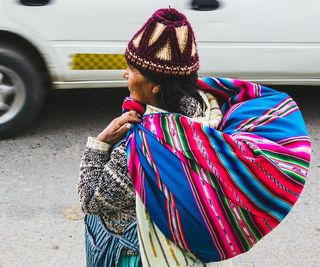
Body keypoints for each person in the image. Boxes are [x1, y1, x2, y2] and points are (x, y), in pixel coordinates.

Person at [78, 7, 310, 267]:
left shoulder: (145, 147)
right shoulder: (207, 109)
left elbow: (90, 200)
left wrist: (101, 143)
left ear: (155, 86)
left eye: (132, 70)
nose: (125, 74)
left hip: (133, 252)